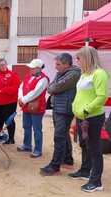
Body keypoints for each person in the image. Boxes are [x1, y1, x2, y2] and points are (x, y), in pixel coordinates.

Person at [68, 46, 109, 193]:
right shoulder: (84, 74)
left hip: (92, 118)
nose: (77, 61)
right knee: (85, 145)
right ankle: (85, 171)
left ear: (87, 58)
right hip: (81, 117)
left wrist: (86, 109)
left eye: (79, 58)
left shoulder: (99, 74)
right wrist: (76, 112)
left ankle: (96, 181)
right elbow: (81, 95)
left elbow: (102, 97)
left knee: (94, 149)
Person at [40, 53, 81, 176]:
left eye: (58, 64)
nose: (55, 67)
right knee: (63, 136)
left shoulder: (74, 74)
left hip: (65, 110)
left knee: (59, 137)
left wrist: (53, 88)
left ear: (66, 64)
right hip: (59, 108)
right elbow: (51, 87)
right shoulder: (61, 73)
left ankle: (55, 165)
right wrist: (53, 87)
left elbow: (53, 88)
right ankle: (67, 159)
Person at [17, 59, 49, 158]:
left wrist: (24, 100)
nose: (30, 69)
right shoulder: (28, 76)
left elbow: (36, 92)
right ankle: (27, 145)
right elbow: (21, 87)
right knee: (26, 126)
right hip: (26, 106)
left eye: (32, 68)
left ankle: (38, 149)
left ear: (38, 68)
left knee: (37, 129)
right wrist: (20, 98)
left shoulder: (44, 79)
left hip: (37, 107)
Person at [0, 58, 20, 144]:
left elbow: (15, 88)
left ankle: (11, 139)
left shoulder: (13, 75)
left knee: (9, 120)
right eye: (1, 65)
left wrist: (3, 90)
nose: (3, 66)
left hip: (9, 103)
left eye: (4, 64)